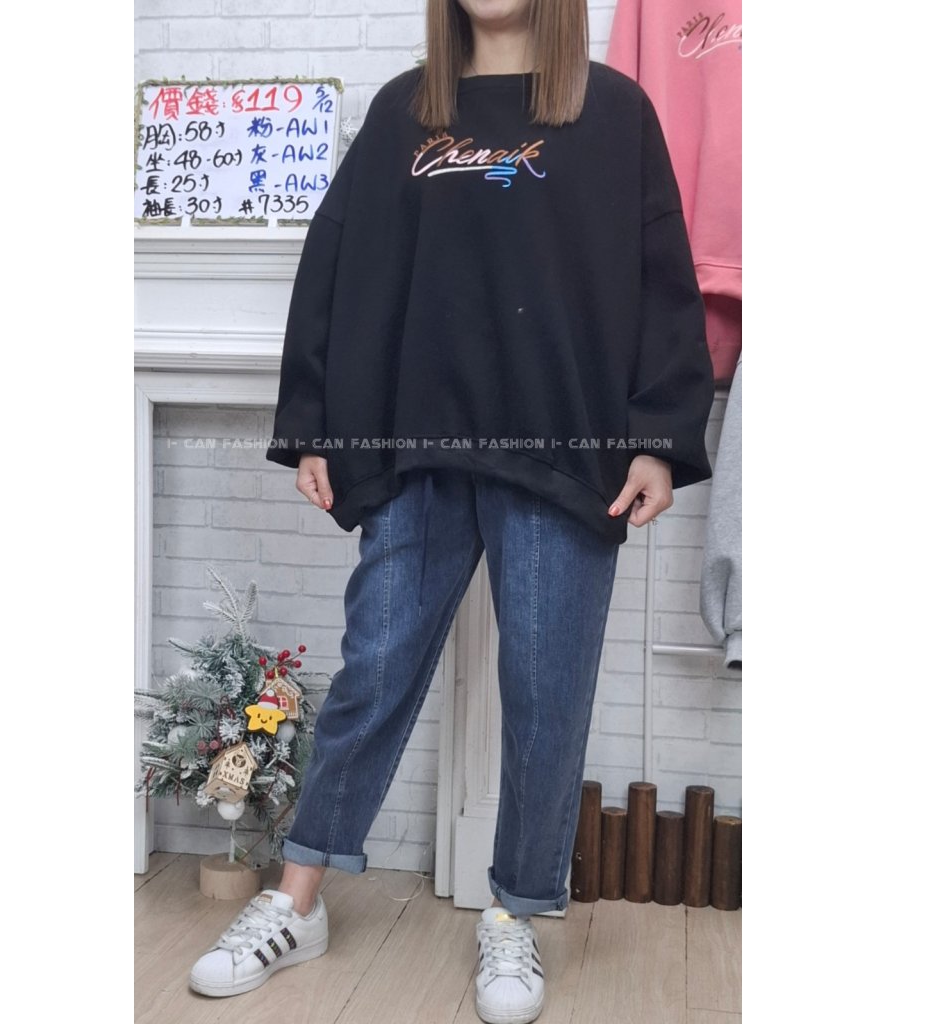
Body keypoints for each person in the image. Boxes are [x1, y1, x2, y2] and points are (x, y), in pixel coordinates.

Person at [189, 1, 714, 1021]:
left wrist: (657, 433)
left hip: (565, 448)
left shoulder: (614, 114)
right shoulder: (403, 113)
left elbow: (663, 282)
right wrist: (316, 425)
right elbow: (334, 267)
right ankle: (296, 900)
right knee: (376, 669)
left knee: (546, 693)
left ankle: (514, 913)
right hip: (419, 445)